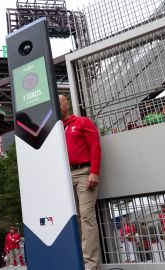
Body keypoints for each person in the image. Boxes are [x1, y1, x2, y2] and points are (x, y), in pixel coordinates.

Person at [59, 95, 101, 270]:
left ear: (67, 104)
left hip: (84, 173)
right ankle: (75, 261)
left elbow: (95, 146)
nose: (56, 105)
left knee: (86, 216)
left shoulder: (82, 122)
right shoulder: (55, 129)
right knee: (69, 220)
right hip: (64, 176)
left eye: (59, 102)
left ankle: (90, 265)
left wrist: (94, 171)